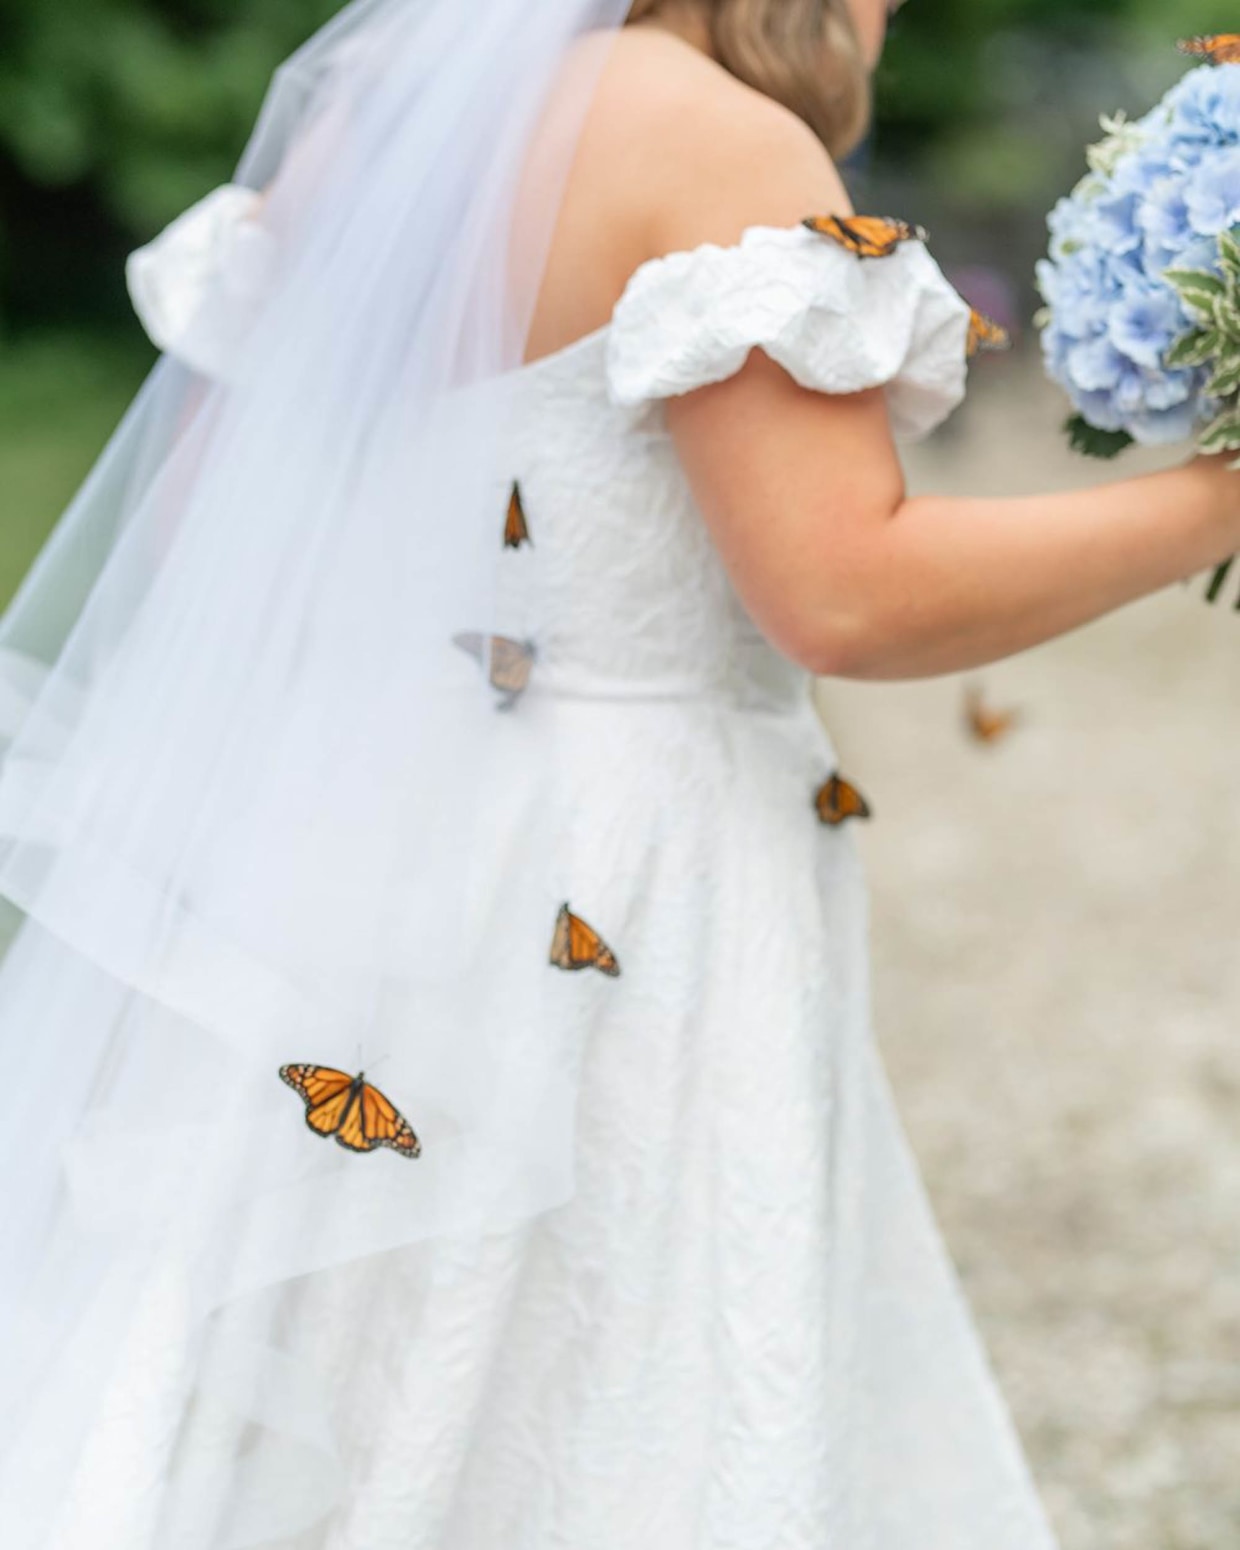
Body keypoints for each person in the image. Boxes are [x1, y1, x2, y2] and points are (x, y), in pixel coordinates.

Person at [0, 2, 1236, 1547]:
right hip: (632, 889)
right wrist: (1216, 504)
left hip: (352, 855)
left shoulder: (370, 119)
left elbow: (203, 539)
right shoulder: (719, 144)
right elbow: (847, 590)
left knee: (318, 1394)